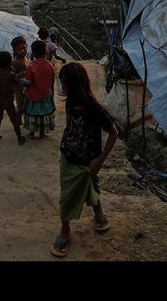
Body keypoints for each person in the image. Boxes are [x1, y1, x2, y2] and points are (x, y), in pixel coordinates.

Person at [50, 62, 118, 258]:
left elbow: (114, 133)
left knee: (84, 188)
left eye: (63, 81)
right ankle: (87, 219)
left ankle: (67, 231)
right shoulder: (70, 102)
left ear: (73, 83)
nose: (61, 85)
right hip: (68, 158)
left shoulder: (94, 108)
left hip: (88, 161)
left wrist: (99, 161)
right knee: (71, 194)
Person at [0, 51, 26, 145]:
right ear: (10, 63)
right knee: (14, 120)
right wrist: (17, 74)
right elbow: (17, 83)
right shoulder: (10, 75)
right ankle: (19, 138)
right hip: (9, 102)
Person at [23, 40, 56, 139]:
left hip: (33, 95)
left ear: (33, 53)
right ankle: (42, 133)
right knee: (43, 114)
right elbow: (52, 80)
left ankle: (32, 133)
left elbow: (28, 82)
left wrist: (23, 82)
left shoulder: (31, 66)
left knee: (32, 114)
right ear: (46, 52)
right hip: (45, 94)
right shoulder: (50, 65)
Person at [10, 35, 29, 119]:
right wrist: (21, 74)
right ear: (14, 50)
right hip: (18, 86)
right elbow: (12, 76)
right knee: (20, 103)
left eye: (24, 48)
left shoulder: (25, 58)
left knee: (26, 103)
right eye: (19, 49)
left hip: (25, 84)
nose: (22, 51)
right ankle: (18, 120)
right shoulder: (15, 62)